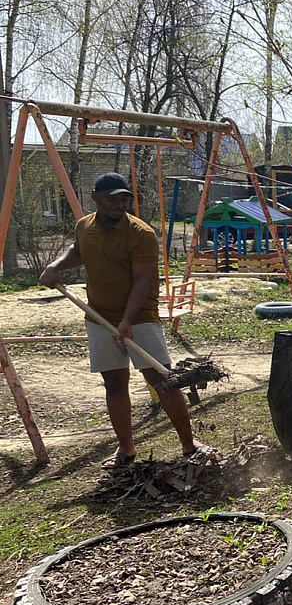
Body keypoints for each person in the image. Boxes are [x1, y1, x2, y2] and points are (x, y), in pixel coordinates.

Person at [39, 172, 214, 469]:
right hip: (98, 317)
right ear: (94, 196)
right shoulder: (84, 226)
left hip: (140, 317)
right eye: (112, 199)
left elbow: (143, 280)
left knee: (162, 381)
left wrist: (127, 320)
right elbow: (79, 251)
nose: (119, 205)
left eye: (124, 200)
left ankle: (189, 443)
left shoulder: (140, 233)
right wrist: (56, 266)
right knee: (114, 384)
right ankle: (126, 449)